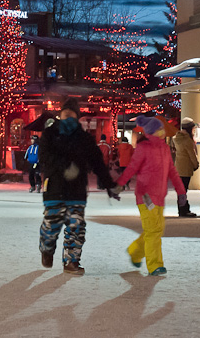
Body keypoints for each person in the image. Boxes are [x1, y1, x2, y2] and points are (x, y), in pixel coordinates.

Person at [38, 98, 116, 276]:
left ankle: (71, 261)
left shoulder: (84, 138)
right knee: (51, 226)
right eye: (65, 114)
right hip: (54, 189)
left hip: (77, 190)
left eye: (72, 115)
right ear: (60, 115)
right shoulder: (50, 134)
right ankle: (47, 248)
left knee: (76, 227)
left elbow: (97, 162)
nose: (68, 118)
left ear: (77, 117)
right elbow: (44, 158)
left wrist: (110, 184)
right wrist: (64, 167)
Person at [113, 116, 187, 276]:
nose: (162, 131)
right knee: (153, 231)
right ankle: (155, 265)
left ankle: (135, 251)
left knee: (157, 229)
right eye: (159, 129)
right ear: (153, 131)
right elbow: (132, 167)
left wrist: (181, 191)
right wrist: (119, 184)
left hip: (159, 196)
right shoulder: (144, 147)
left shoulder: (165, 149)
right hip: (145, 195)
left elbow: (172, 172)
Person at [171, 117, 200, 217]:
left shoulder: (176, 139)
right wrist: (196, 165)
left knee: (181, 190)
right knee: (183, 190)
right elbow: (192, 155)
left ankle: (182, 209)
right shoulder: (187, 140)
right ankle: (184, 210)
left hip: (178, 167)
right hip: (186, 167)